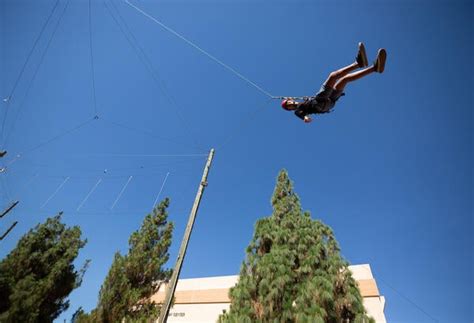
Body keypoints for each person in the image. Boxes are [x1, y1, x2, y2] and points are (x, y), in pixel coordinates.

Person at [281, 43, 387, 123]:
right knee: (332, 76)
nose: (290, 103)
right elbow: (300, 114)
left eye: (288, 102)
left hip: (329, 103)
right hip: (320, 103)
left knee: (344, 80)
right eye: (288, 105)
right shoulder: (297, 110)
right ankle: (358, 64)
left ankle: (374, 68)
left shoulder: (301, 101)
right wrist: (305, 118)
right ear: (290, 109)